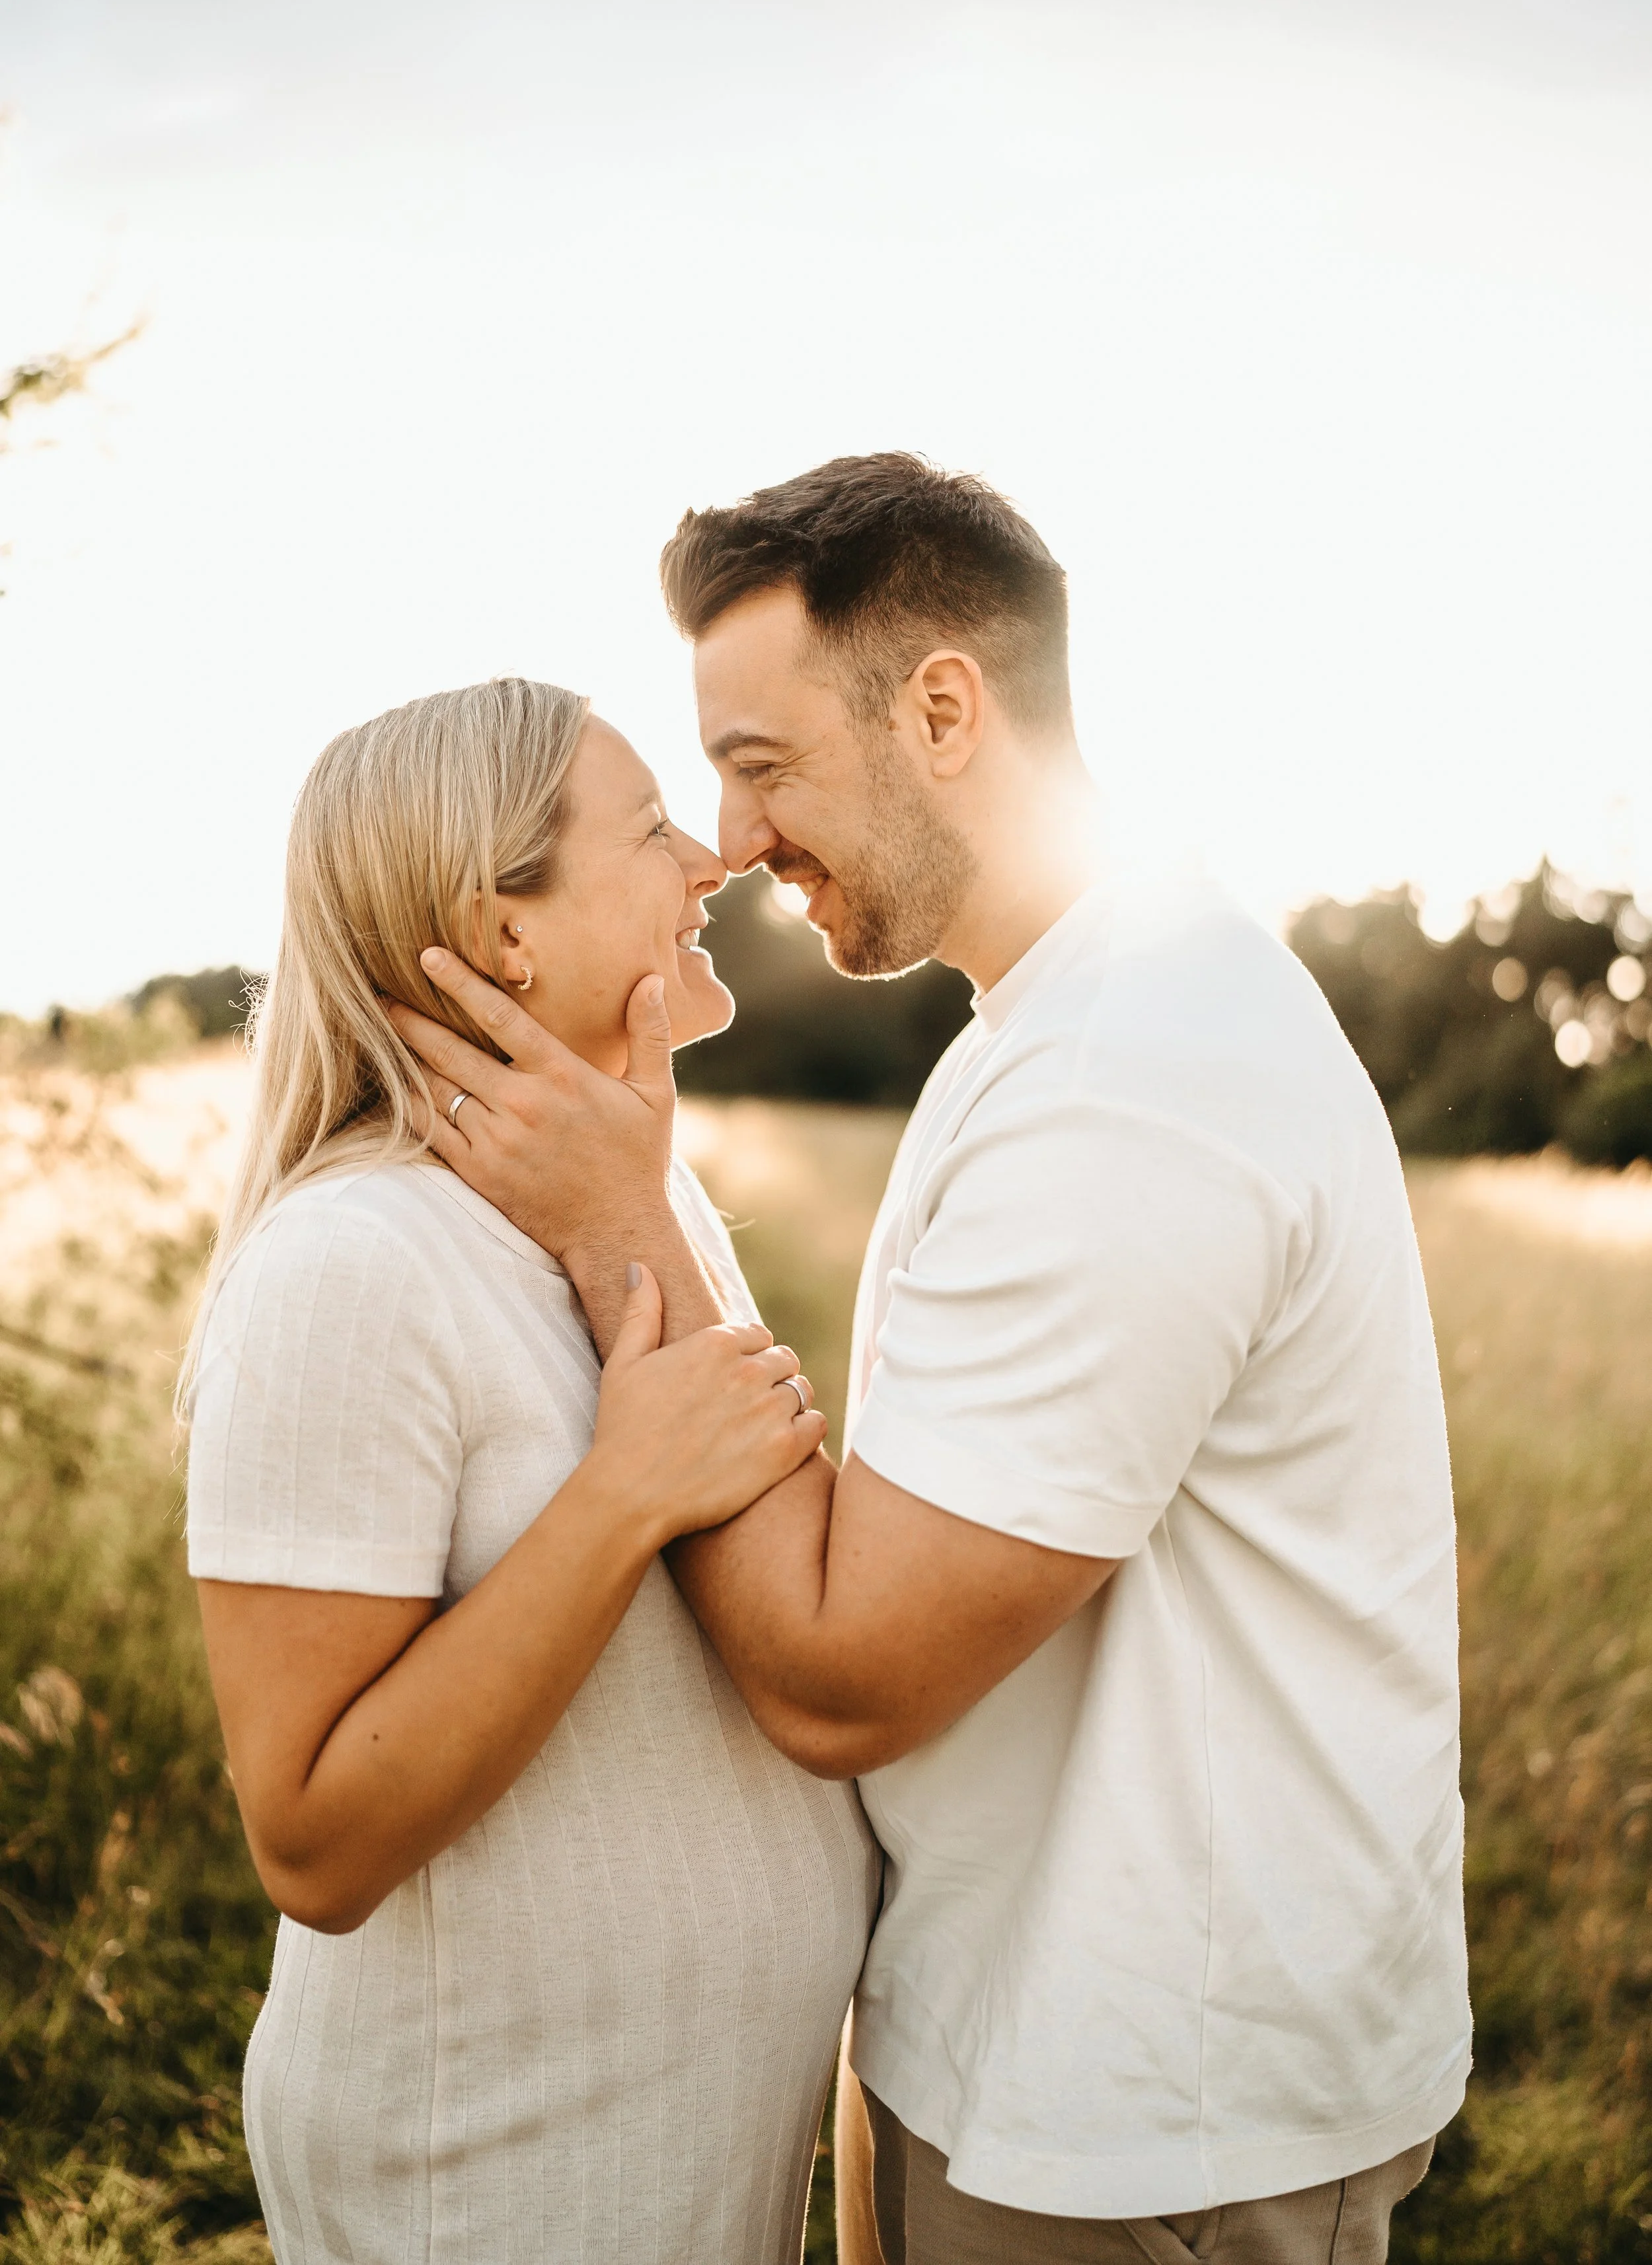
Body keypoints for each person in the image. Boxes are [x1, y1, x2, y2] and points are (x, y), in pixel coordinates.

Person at [398, 455, 1472, 2265]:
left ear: (944, 710)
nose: (733, 839)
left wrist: (621, 1215)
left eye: (762, 762)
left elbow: (843, 1677)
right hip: (1037, 2038)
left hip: (1135, 2118)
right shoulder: (1067, 1015)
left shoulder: (1133, 1076)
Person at [182, 677, 880, 2265]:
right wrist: (620, 1500)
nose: (710, 859)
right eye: (649, 830)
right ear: (505, 933)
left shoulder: (635, 1200)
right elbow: (311, 1841)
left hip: (676, 2156)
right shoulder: (352, 1263)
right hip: (499, 2174)